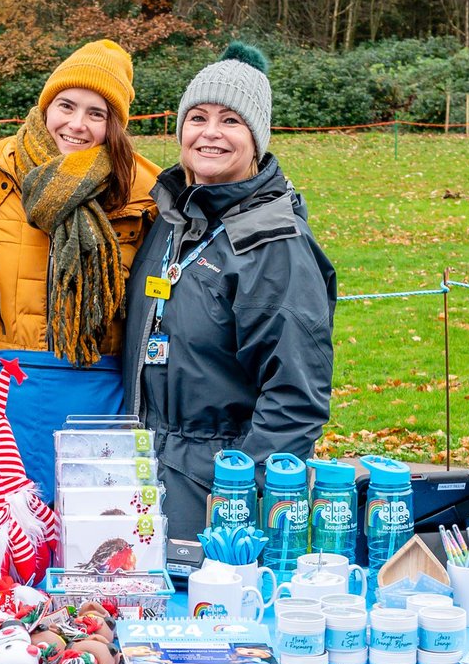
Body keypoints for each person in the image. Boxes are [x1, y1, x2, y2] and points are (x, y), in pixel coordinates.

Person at [123, 42, 336, 541]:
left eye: (231, 121)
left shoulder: (275, 246)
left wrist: (239, 498)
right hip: (144, 480)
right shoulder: (171, 218)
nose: (210, 133)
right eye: (197, 117)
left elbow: (296, 399)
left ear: (257, 139)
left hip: (216, 492)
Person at [0, 40, 159, 498]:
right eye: (66, 105)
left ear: (115, 125)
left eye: (97, 113)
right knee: (2, 541)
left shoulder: (146, 192)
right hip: (6, 398)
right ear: (45, 105)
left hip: (100, 397)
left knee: (96, 544)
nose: (77, 124)